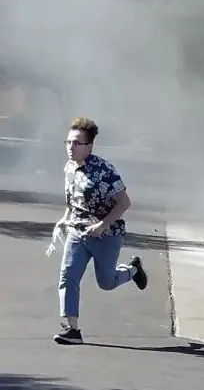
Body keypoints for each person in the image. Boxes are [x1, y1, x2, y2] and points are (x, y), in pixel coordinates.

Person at [53, 117, 147, 345]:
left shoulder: (104, 171)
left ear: (89, 147)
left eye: (76, 143)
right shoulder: (69, 167)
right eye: (68, 142)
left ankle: (133, 270)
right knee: (68, 277)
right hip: (78, 233)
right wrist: (64, 220)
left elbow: (124, 203)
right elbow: (73, 200)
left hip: (107, 235)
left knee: (106, 283)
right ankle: (72, 329)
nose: (70, 148)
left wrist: (102, 225)